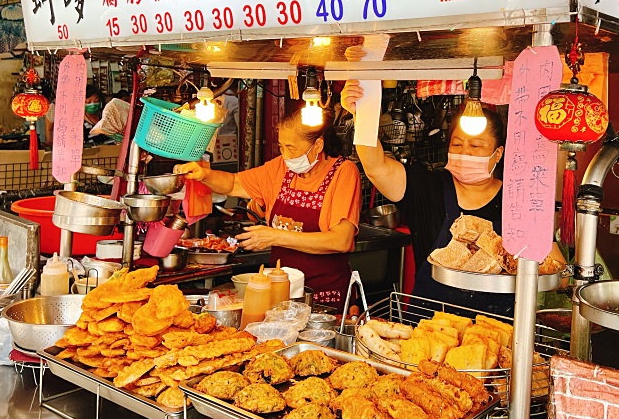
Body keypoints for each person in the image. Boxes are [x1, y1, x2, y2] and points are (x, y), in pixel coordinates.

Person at [342, 80, 513, 315]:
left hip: (495, 332)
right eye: (457, 143)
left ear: (498, 153)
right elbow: (376, 167)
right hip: (427, 329)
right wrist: (362, 112)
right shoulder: (427, 187)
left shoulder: (516, 200)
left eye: (475, 145)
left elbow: (552, 268)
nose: (464, 152)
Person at [175, 108, 361, 306]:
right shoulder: (281, 168)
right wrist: (204, 175)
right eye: (281, 147)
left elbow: (341, 240)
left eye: (291, 148)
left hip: (325, 297)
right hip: (281, 294)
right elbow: (233, 183)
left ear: (318, 145)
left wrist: (275, 236)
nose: (286, 155)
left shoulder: (344, 173)